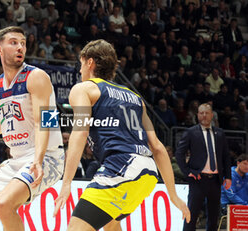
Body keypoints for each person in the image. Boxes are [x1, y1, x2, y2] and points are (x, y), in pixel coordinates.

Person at [54, 39, 190, 231]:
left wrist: (66, 182)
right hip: (148, 173)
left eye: (81, 63)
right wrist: (173, 194)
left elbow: (81, 131)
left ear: (90, 62)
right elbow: (157, 147)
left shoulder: (83, 89)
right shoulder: (134, 97)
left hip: (121, 166)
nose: (80, 70)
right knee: (111, 225)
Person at [0, 26, 64, 231]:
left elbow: (46, 119)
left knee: (4, 204)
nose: (20, 47)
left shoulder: (36, 76)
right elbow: (4, 120)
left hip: (47, 157)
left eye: (23, 43)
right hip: (18, 160)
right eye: (14, 42)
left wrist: (39, 160)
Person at [175, 103, 232, 231]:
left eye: (207, 113)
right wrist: (187, 171)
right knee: (191, 215)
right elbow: (179, 153)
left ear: (212, 115)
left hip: (216, 180)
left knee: (213, 217)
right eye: (201, 113)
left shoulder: (220, 133)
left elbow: (226, 156)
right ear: (197, 115)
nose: (204, 115)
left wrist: (228, 176)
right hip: (198, 179)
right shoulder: (191, 132)